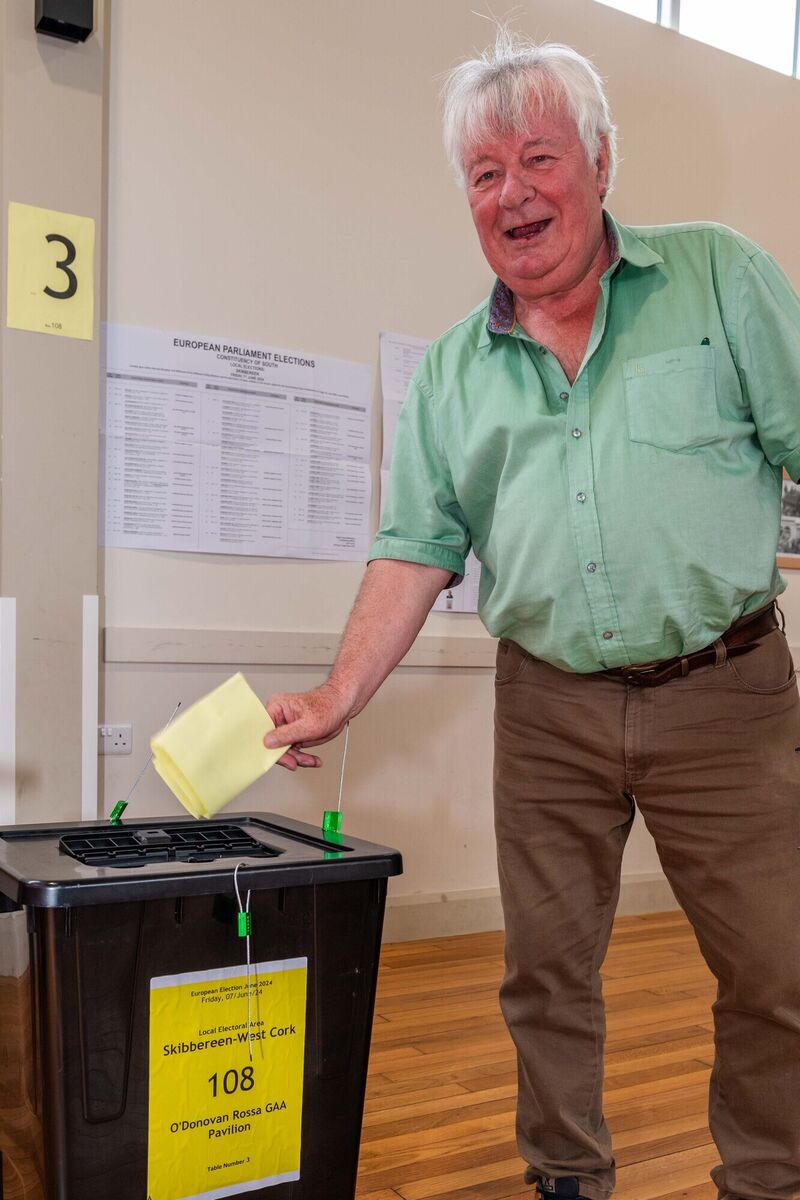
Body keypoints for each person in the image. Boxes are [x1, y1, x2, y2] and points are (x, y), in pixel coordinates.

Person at [264, 29, 800, 1200]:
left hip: (727, 696)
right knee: (544, 973)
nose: (512, 192)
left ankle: (766, 1180)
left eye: (537, 157)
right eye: (483, 173)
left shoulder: (718, 279)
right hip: (548, 703)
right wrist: (334, 696)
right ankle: (564, 1175)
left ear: (599, 164)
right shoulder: (455, 370)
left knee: (775, 970)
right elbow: (414, 547)